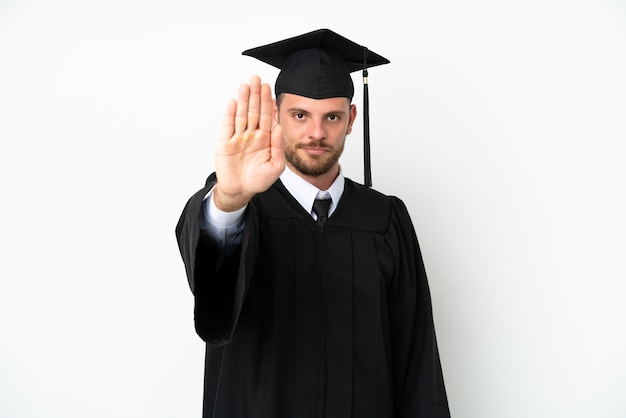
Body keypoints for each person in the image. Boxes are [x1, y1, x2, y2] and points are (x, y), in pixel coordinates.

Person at [176, 28, 450, 418]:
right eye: (300, 115)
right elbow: (213, 311)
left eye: (332, 116)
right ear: (277, 115)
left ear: (351, 118)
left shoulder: (385, 220)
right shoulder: (240, 206)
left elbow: (417, 358)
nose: (316, 133)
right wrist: (231, 198)